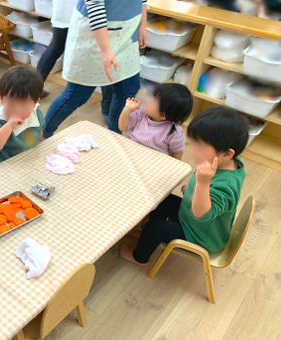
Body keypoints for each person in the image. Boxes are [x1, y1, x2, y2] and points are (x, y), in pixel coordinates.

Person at [119, 107, 248, 266]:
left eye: (200, 147)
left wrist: (202, 184)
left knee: (156, 228)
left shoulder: (226, 184)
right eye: (194, 143)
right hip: (193, 217)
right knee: (160, 200)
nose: (193, 151)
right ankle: (146, 234)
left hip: (200, 236)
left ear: (228, 154)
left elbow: (202, 215)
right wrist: (195, 188)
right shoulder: (225, 164)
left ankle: (139, 257)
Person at [43, 0, 148, 138]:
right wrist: (105, 50)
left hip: (127, 33)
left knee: (127, 90)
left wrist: (142, 26)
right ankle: (43, 133)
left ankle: (114, 135)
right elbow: (94, 4)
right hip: (94, 36)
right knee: (76, 95)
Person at [0, 66, 45, 167]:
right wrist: (9, 126)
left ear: (35, 103)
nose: (17, 109)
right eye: (11, 103)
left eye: (24, 104)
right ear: (2, 99)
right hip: (6, 167)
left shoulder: (36, 111)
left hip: (31, 161)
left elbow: (40, 134)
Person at [118, 83, 193, 160]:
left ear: (163, 115)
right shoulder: (141, 114)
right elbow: (123, 127)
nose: (148, 101)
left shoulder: (174, 132)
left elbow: (177, 155)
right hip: (130, 153)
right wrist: (127, 109)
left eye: (153, 101)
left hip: (152, 162)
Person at [36, 0, 78, 99]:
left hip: (61, 13)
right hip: (77, 15)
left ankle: (34, 90)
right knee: (77, 53)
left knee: (54, 49)